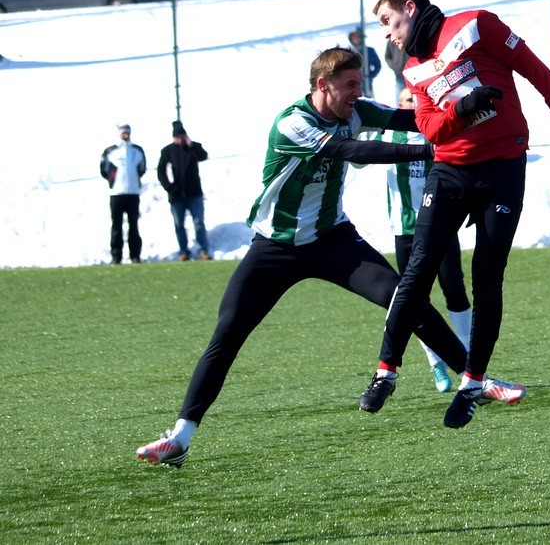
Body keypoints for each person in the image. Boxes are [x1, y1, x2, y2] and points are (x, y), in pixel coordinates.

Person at [136, 47, 523, 468]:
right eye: (350, 85)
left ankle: (473, 380)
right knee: (227, 333)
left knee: (406, 298)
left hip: (332, 239)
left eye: (360, 84)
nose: (358, 93)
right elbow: (350, 152)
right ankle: (180, 437)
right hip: (274, 247)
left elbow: (410, 119)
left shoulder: (356, 108)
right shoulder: (293, 122)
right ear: (323, 85)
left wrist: (463, 113)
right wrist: (428, 153)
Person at [359, 0, 550, 429]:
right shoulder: (414, 70)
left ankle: (471, 384)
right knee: (417, 270)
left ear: (410, 9)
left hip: (502, 170)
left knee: (487, 277)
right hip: (451, 172)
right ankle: (385, 372)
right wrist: (464, 108)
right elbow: (432, 129)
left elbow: (531, 67)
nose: (387, 35)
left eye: (388, 22)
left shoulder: (476, 24)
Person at [384, 86, 472, 393]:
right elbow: (356, 157)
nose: (414, 104)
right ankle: (436, 364)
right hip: (405, 230)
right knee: (416, 301)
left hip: (441, 226)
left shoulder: (436, 131)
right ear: (399, 104)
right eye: (409, 100)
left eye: (417, 100)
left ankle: (470, 362)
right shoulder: (388, 136)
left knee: (455, 289)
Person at [157, 120, 211, 261]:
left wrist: (191, 145)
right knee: (179, 224)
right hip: (176, 195)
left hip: (194, 193)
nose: (179, 139)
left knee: (199, 222)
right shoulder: (167, 151)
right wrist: (169, 187)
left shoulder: (193, 148)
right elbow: (161, 171)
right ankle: (183, 251)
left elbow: (203, 156)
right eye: (177, 136)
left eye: (181, 136)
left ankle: (203, 250)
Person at [99, 123, 146, 264]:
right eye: (123, 132)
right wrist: (113, 181)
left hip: (133, 193)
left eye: (128, 132)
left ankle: (135, 255)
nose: (126, 135)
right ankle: (116, 256)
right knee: (116, 225)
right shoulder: (111, 151)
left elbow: (142, 168)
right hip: (116, 193)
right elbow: (104, 170)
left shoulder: (137, 150)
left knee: (134, 225)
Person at [348, 27, 381, 98]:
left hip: (367, 84)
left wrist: (371, 75)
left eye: (358, 36)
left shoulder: (369, 50)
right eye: (354, 37)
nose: (356, 38)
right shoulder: (348, 53)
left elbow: (377, 65)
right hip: (353, 86)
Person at [384, 39, 409, 103]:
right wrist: (394, 66)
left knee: (411, 101)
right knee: (399, 102)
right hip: (399, 77)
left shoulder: (409, 38)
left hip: (412, 77)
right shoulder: (391, 41)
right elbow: (387, 56)